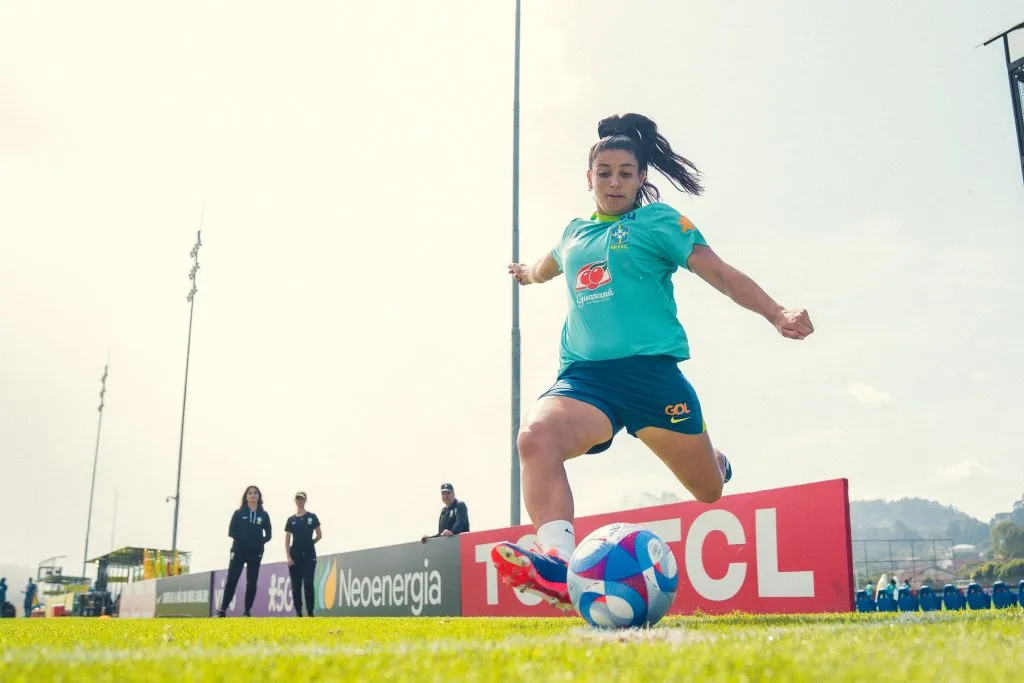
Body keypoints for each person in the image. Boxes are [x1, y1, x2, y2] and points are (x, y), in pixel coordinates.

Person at [491, 113, 814, 609]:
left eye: (625, 172)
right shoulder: (573, 234)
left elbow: (720, 273)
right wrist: (525, 274)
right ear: (589, 177)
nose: (614, 181)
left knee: (707, 491)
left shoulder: (659, 223)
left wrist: (776, 312)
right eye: (604, 172)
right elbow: (543, 267)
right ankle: (558, 563)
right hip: (585, 381)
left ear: (642, 178)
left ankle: (717, 461)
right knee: (535, 437)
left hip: (652, 380)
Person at [216, 485, 272, 617]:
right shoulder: (239, 513)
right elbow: (231, 531)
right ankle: (223, 610)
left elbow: (269, 534)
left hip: (256, 552)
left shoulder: (263, 515)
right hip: (239, 550)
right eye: (250, 493)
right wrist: (244, 541)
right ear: (246, 497)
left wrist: (259, 543)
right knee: (232, 579)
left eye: (255, 493)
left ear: (259, 497)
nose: (252, 495)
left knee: (252, 582)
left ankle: (247, 612)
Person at [285, 490, 321, 617]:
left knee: (308, 583)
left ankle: (310, 612)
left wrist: (310, 543)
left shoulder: (312, 517)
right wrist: (288, 556)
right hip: (295, 557)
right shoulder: (291, 520)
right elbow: (287, 539)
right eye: (298, 499)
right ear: (295, 501)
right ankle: (298, 612)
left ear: (305, 500)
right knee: (296, 586)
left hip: (309, 556)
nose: (300, 501)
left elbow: (319, 535)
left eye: (302, 499)